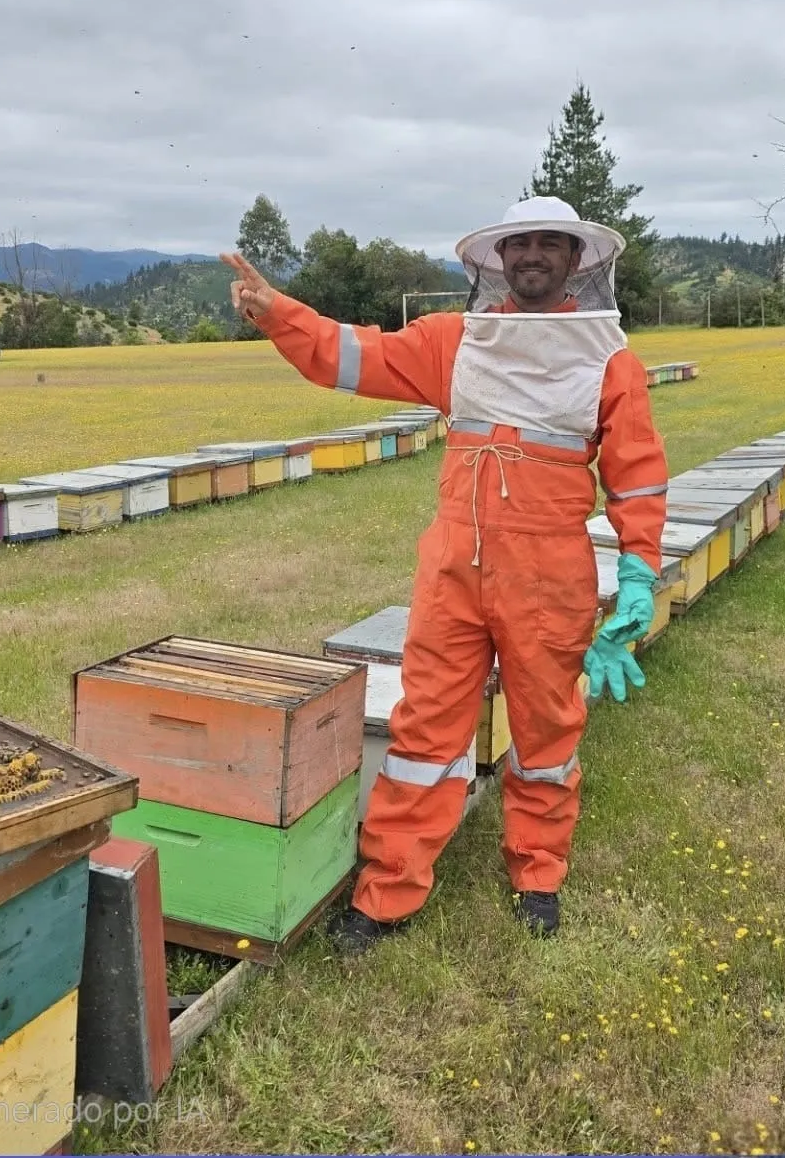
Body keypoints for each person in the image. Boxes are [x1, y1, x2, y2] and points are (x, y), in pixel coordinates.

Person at [221, 196, 668, 954]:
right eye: (517, 244)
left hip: (548, 576)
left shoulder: (610, 360)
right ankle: (388, 890)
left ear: (575, 260)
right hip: (453, 570)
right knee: (424, 730)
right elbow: (350, 353)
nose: (530, 255)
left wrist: (636, 575)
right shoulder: (454, 341)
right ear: (498, 260)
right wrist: (276, 312)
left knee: (545, 734)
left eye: (547, 245)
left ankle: (539, 874)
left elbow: (638, 478)